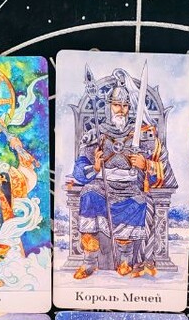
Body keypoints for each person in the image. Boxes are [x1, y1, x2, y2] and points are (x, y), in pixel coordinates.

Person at [71, 72, 172, 278]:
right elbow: (79, 169)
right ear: (109, 106)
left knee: (138, 203)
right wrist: (95, 167)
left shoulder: (143, 135)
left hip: (130, 187)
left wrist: (146, 164)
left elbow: (164, 167)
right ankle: (89, 262)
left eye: (125, 106)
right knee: (89, 194)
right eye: (117, 105)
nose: (121, 110)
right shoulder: (95, 134)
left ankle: (125, 261)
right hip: (102, 185)